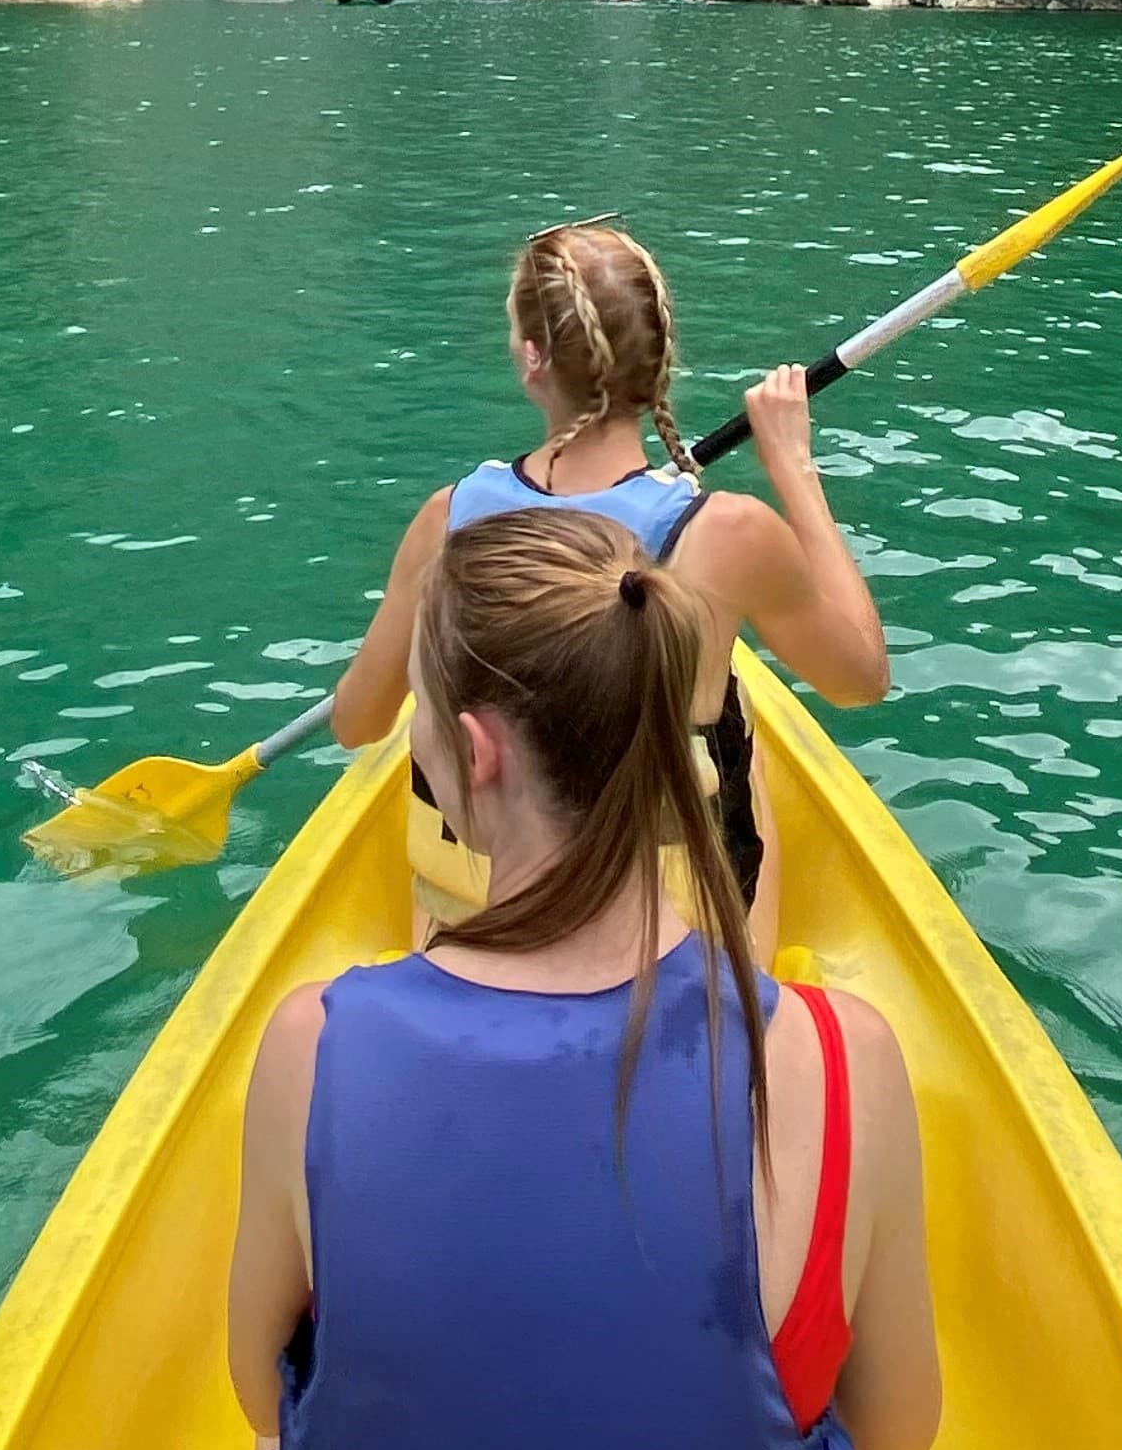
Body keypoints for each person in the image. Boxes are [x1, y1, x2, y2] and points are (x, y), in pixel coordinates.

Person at [209, 509, 943, 1450]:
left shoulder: (312, 1046)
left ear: (474, 752)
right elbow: (903, 1441)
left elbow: (258, 1397)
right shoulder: (842, 1064)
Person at [328, 222, 888, 943]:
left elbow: (357, 723)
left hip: (477, 895)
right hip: (670, 912)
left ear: (533, 360)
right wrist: (794, 469)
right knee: (729, 712)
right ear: (658, 364)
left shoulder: (447, 520)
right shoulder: (728, 535)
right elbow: (860, 680)